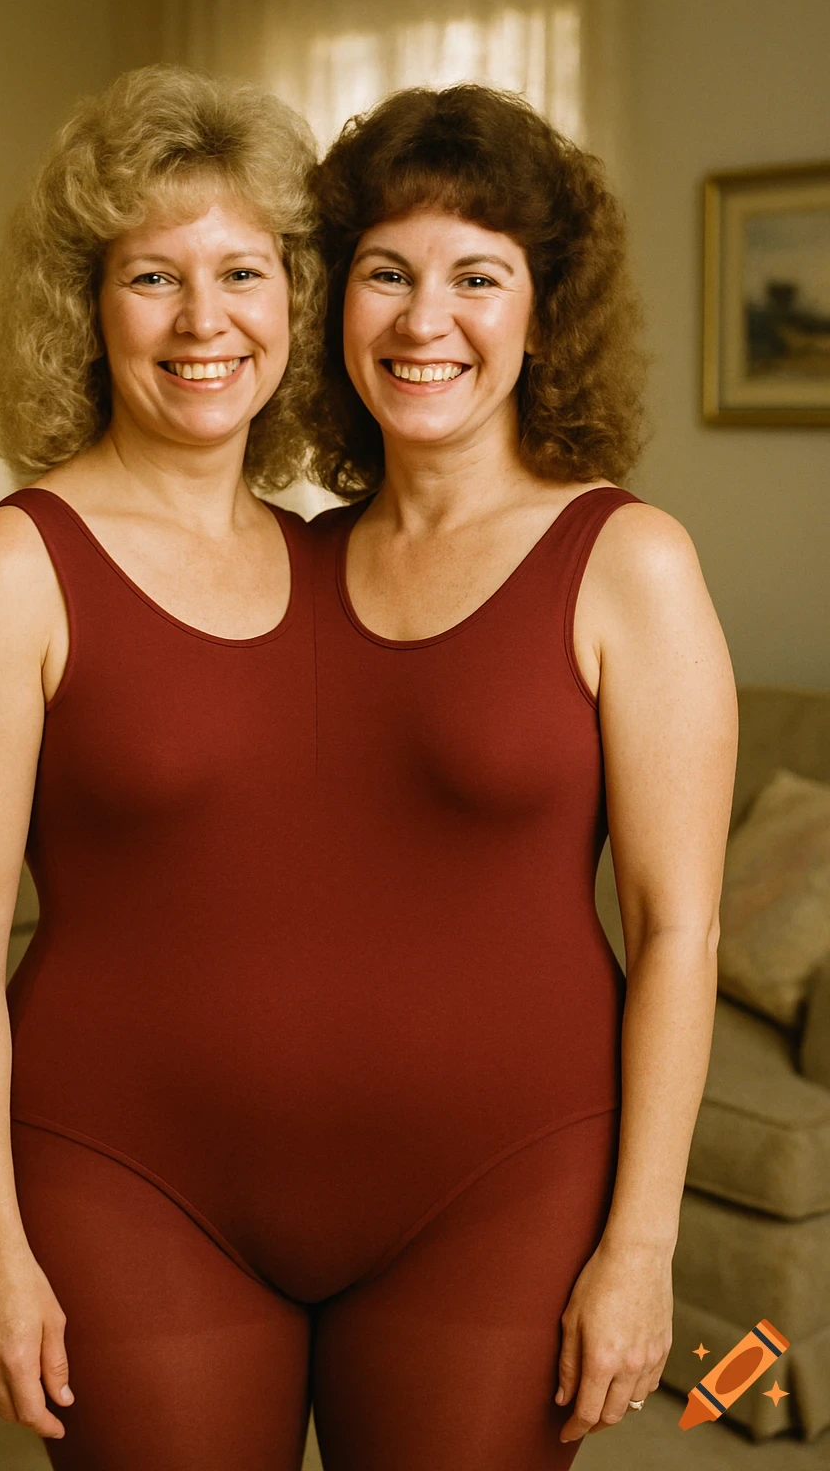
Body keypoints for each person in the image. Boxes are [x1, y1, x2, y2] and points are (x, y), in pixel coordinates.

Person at [300, 84, 739, 1467]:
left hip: (514, 1182)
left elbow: (678, 929)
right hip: (271, 1174)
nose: (423, 320)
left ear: (544, 316)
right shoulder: (291, 559)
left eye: (478, 278)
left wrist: (641, 1250)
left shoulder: (628, 559)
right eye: (386, 272)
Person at [0, 65, 324, 1467]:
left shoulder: (330, 556)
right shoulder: (15, 565)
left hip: (353, 1188)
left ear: (295, 300)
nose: (205, 321)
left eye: (243, 273)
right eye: (154, 276)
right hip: (114, 1168)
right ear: (83, 308)